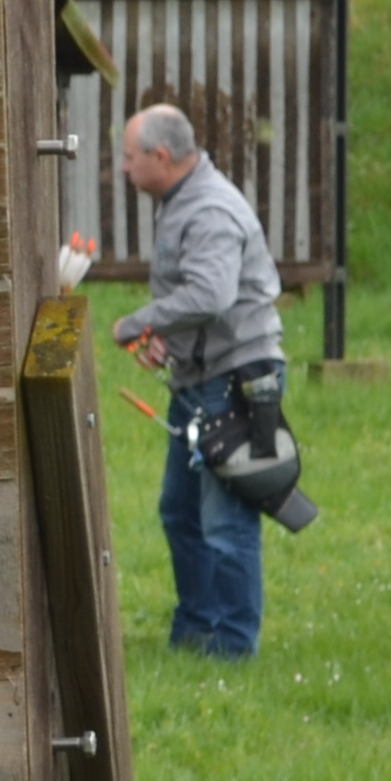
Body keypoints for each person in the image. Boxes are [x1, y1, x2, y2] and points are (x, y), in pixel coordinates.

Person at [118, 103, 286, 660]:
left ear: (160, 157)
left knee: (226, 519)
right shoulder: (181, 199)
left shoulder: (210, 209)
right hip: (200, 378)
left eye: (128, 156)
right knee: (181, 511)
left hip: (237, 380)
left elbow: (211, 296)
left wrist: (139, 323)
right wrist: (170, 340)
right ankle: (196, 631)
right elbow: (200, 301)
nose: (122, 168)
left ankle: (232, 649)